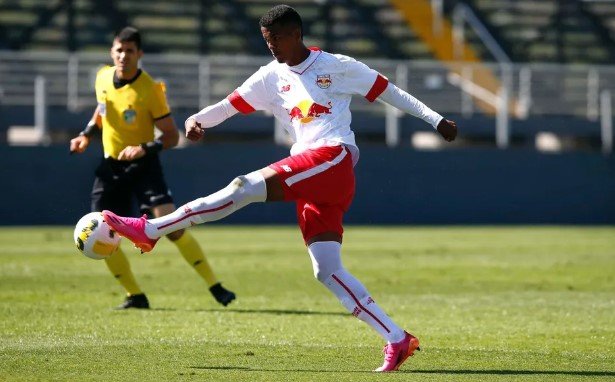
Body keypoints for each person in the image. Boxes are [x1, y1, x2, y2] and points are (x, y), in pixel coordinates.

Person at [103, 6, 457, 371]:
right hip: (315, 178)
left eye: (275, 39)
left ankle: (151, 230)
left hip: (332, 158)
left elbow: (389, 91)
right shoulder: (270, 76)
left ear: (296, 35)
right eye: (266, 40)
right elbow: (228, 107)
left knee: (243, 186)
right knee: (327, 270)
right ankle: (397, 339)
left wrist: (436, 120)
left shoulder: (337, 65)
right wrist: (196, 120)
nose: (270, 46)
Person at [69, 26, 235, 310]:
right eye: (119, 50)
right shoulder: (103, 78)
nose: (123, 56)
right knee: (102, 230)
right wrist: (86, 133)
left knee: (172, 227)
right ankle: (135, 295)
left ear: (139, 54)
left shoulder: (150, 89)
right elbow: (102, 108)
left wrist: (143, 148)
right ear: (112, 52)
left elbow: (171, 136)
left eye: (129, 51)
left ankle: (214, 285)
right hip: (111, 167)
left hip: (145, 167)